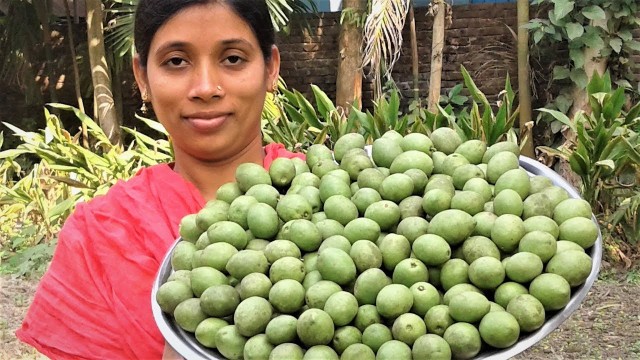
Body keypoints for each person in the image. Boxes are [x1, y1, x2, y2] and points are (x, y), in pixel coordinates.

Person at [16, 0, 304, 358]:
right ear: (142, 77)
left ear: (270, 68)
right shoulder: (99, 238)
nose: (205, 87)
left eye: (232, 58)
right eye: (176, 62)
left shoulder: (328, 190)